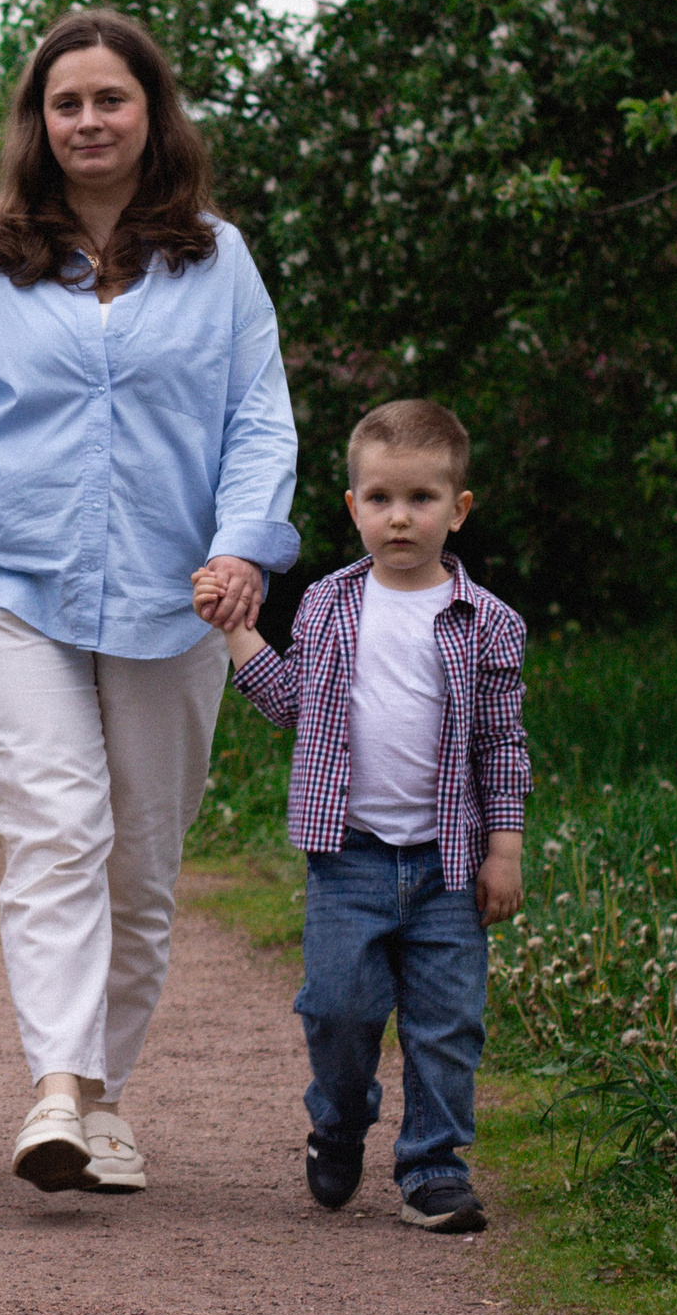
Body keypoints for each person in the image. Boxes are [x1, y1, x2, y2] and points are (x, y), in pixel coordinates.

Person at [0, 9, 299, 1195]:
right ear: (36, 123)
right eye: (66, 103)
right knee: (56, 828)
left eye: (110, 99)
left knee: (141, 862)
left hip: (179, 596)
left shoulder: (217, 258)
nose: (88, 120)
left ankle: (103, 1096)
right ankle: (54, 1088)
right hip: (11, 585)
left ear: (152, 114)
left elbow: (259, 417)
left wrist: (246, 546)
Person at [197, 398, 527, 1233]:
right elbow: (290, 703)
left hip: (450, 865)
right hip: (348, 858)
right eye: (380, 499)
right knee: (338, 1008)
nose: (400, 517)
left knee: (447, 1024)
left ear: (458, 509)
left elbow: (501, 745)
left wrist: (506, 849)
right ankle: (339, 1126)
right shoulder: (327, 606)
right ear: (353, 509)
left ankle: (432, 1167)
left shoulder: (487, 623)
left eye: (421, 499)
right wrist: (238, 630)